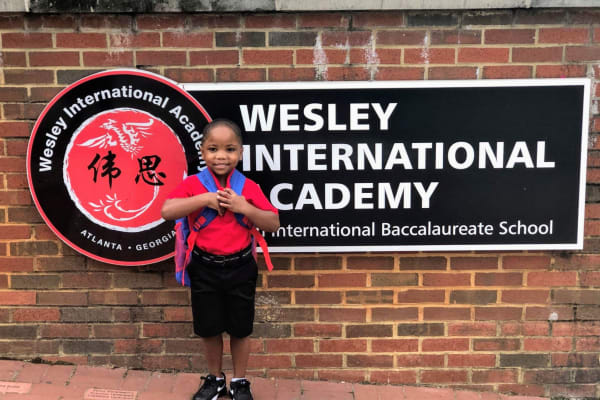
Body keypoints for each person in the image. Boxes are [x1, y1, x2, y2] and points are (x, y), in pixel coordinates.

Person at [161, 119, 280, 400]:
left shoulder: (248, 187)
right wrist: (204, 199)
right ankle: (214, 379)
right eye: (213, 149)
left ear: (240, 152)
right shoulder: (193, 185)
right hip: (204, 268)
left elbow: (273, 223)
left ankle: (239, 381)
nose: (221, 156)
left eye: (230, 149)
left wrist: (243, 206)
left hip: (241, 267)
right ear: (202, 151)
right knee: (209, 328)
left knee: (240, 329)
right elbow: (167, 211)